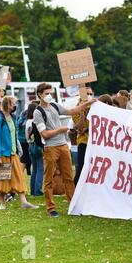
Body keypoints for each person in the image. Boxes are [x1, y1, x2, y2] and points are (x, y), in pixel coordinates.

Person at [33, 83, 95, 217]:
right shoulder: (38, 112)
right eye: (46, 93)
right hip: (50, 148)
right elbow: (44, 134)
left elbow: (72, 111)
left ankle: (73, 204)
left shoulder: (55, 106)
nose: (49, 96)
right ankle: (51, 208)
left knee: (68, 176)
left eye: (50, 93)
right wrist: (61, 129)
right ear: (39, 95)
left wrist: (86, 104)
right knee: (49, 179)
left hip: (63, 146)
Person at [0, 96, 38, 210]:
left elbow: (14, 135)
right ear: (7, 104)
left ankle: (24, 202)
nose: (15, 106)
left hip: (13, 153)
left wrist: (18, 148)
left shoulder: (13, 117)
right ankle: (2, 203)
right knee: (1, 178)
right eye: (13, 104)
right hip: (1, 153)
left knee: (19, 176)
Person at [73, 88, 95, 186]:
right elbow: (80, 128)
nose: (89, 95)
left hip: (94, 143)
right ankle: (76, 187)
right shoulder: (76, 110)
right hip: (83, 142)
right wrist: (82, 111)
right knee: (81, 167)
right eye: (87, 94)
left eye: (91, 94)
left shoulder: (95, 108)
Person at [25, 104, 43, 196]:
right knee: (40, 168)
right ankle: (38, 190)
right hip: (37, 145)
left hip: (30, 145)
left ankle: (32, 190)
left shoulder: (27, 121)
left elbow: (26, 136)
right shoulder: (37, 121)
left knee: (34, 168)